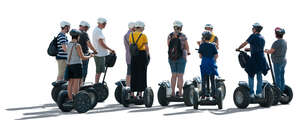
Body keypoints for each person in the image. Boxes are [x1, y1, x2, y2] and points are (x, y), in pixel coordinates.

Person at [236, 23, 269, 98]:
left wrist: (238, 48)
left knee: (251, 74)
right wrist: (250, 49)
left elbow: (245, 43)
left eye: (253, 28)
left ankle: (251, 93)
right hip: (262, 58)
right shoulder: (262, 37)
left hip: (255, 58)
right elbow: (258, 47)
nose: (252, 29)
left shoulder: (253, 36)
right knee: (259, 76)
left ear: (255, 29)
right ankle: (259, 93)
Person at [66, 29, 94, 101]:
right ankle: (76, 99)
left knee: (70, 83)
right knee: (76, 82)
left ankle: (70, 98)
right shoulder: (77, 45)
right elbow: (82, 57)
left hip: (69, 65)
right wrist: (90, 56)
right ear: (78, 36)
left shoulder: (68, 44)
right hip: (77, 65)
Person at [167, 20, 191, 97]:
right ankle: (180, 93)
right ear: (181, 27)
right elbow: (186, 46)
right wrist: (188, 52)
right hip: (181, 57)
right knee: (180, 75)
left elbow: (168, 45)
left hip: (171, 58)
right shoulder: (183, 36)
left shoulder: (170, 35)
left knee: (173, 75)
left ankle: (173, 92)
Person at [128, 21, 150, 99]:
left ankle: (132, 93)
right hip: (142, 55)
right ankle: (140, 94)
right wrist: (148, 56)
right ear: (140, 27)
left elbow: (130, 45)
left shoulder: (131, 35)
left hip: (134, 55)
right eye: (143, 27)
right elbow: (146, 47)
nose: (144, 28)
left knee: (134, 73)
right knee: (142, 74)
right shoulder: (143, 35)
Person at [92, 17, 115, 84]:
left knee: (100, 71)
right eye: (103, 24)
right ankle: (96, 84)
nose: (104, 25)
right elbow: (101, 43)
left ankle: (97, 83)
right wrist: (110, 49)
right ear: (99, 23)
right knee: (98, 71)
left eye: (105, 24)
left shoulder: (98, 30)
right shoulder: (98, 31)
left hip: (100, 53)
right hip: (99, 54)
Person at [265, 27, 287, 93]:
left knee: (277, 77)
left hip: (277, 61)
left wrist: (266, 51)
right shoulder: (284, 41)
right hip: (283, 60)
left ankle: (278, 91)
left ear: (276, 34)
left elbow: (271, 51)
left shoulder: (276, 42)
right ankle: (282, 90)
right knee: (282, 76)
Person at [198, 31, 219, 98]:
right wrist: (213, 60)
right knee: (212, 79)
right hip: (211, 63)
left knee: (204, 79)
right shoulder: (213, 45)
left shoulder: (201, 45)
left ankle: (204, 94)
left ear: (204, 38)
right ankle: (214, 94)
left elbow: (200, 56)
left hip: (204, 62)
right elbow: (216, 55)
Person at [124, 22, 136, 88]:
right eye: (135, 27)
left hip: (129, 56)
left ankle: (128, 87)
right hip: (131, 56)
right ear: (132, 27)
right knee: (130, 73)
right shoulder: (130, 35)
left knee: (130, 72)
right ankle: (128, 87)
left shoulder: (127, 34)